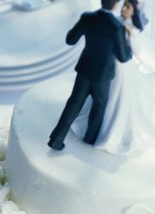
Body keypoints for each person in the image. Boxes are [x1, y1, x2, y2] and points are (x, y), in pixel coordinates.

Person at [70, 0, 155, 155]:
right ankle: (95, 127)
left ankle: (109, 129)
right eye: (123, 5)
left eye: (127, 7)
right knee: (100, 98)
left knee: (115, 97)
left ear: (134, 11)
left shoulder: (133, 29)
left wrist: (130, 34)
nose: (123, 9)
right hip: (105, 65)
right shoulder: (116, 22)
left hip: (122, 68)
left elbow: (135, 51)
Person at [47, 0, 133, 150]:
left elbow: (70, 40)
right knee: (98, 108)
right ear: (116, 4)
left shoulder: (87, 17)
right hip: (103, 75)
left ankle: (56, 139)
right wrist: (130, 45)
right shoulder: (116, 27)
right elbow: (123, 57)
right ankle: (89, 140)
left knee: (73, 103)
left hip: (85, 69)